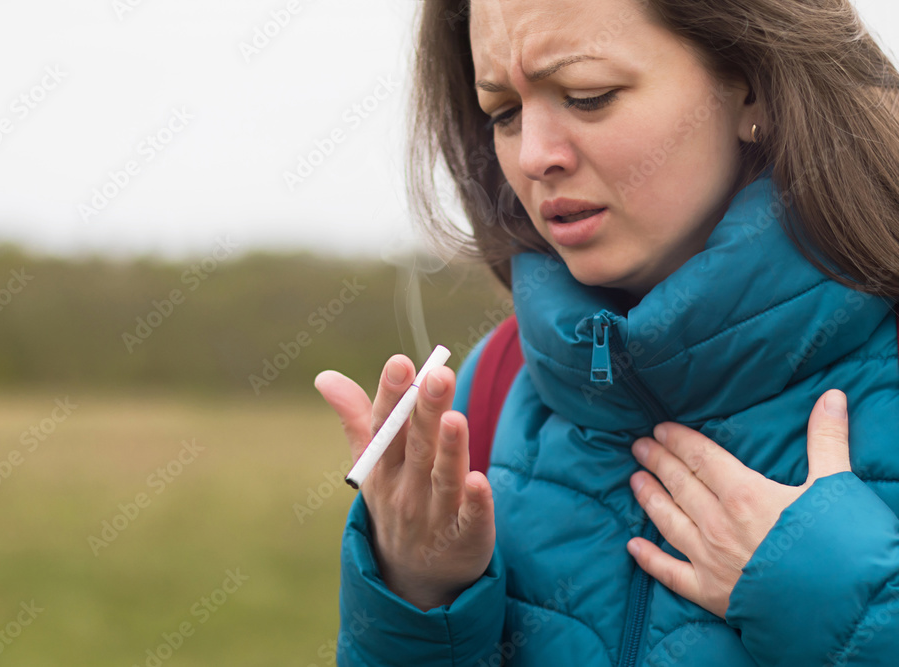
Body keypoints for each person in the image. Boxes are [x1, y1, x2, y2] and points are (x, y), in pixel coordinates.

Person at [314, 0, 899, 663]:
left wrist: (842, 602)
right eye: (503, 112)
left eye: (588, 96)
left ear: (750, 84)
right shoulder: (495, 381)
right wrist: (416, 600)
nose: (535, 155)